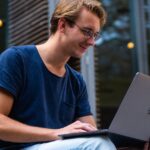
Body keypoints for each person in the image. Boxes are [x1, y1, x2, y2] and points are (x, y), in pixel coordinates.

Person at [0, 0, 116, 149]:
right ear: (62, 25)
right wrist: (55, 133)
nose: (92, 42)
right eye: (87, 32)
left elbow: (91, 132)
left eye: (95, 35)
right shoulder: (16, 59)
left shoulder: (76, 81)